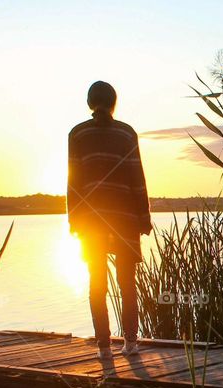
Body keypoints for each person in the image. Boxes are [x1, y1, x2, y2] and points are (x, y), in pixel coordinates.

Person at [67, 81, 151, 359]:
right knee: (127, 283)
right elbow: (136, 177)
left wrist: (73, 219)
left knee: (97, 282)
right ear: (114, 102)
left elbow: (74, 182)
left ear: (90, 103)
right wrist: (144, 218)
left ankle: (104, 347)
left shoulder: (77, 134)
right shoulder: (127, 134)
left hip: (91, 221)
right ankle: (130, 343)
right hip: (125, 218)